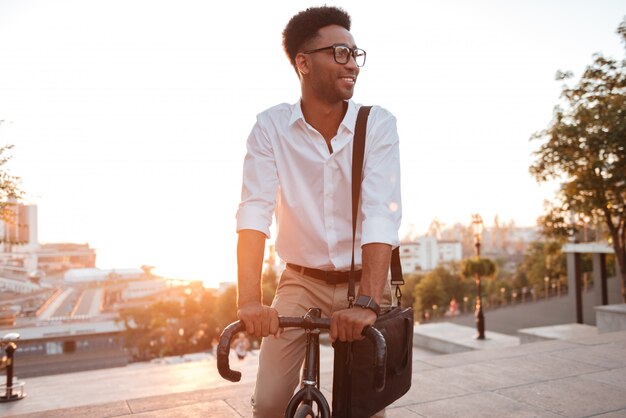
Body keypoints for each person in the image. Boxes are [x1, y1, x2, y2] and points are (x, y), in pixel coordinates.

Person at [235, 6, 401, 417]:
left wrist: (367, 301)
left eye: (355, 53)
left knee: (364, 407)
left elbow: (381, 213)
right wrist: (250, 302)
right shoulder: (270, 127)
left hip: (363, 280)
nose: (352, 65)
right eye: (339, 53)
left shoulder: (377, 124)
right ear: (303, 63)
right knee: (270, 403)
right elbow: (254, 212)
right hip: (299, 281)